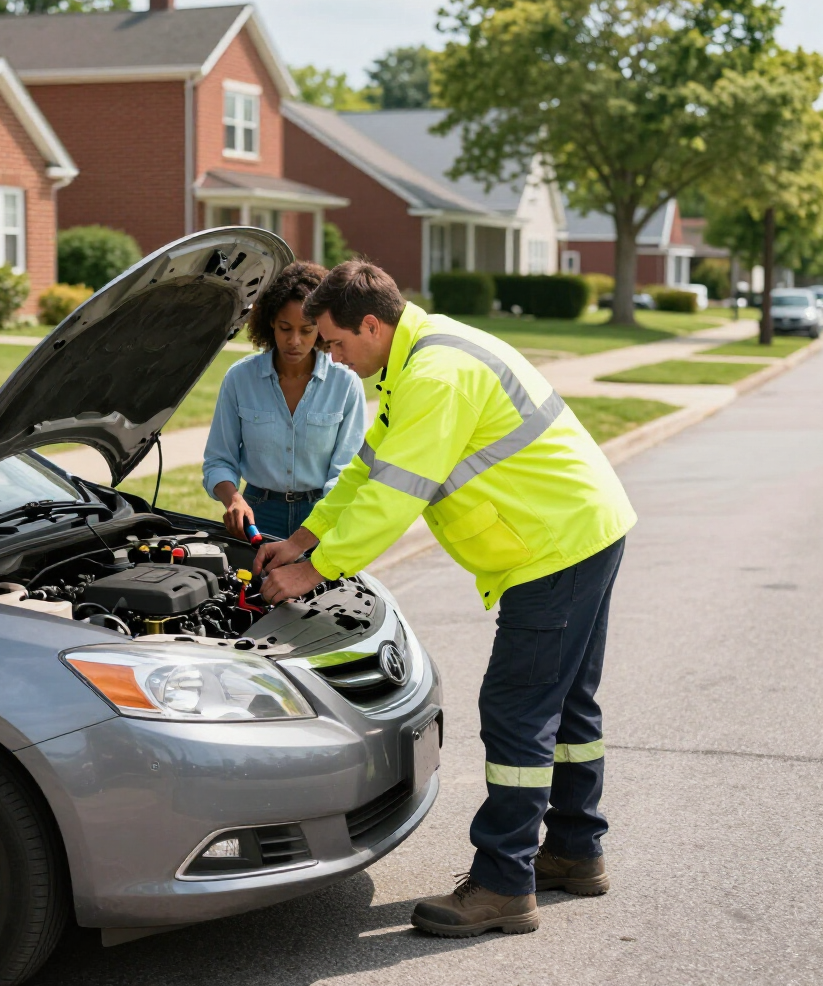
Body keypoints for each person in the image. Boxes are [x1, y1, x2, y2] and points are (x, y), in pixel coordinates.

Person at [255, 260, 636, 938]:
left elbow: (397, 495)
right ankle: (576, 851)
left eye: (337, 342)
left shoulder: (436, 375)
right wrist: (305, 537)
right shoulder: (415, 357)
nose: (331, 357)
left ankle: (503, 884)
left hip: (555, 547)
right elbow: (368, 468)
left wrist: (316, 573)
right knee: (567, 705)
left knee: (517, 711)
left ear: (371, 324)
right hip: (579, 530)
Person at [203, 261, 366, 542]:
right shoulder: (240, 379)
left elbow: (346, 472)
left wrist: (316, 528)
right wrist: (233, 500)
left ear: (323, 328)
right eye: (285, 328)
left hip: (323, 513)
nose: (294, 341)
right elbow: (218, 460)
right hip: (258, 515)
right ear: (270, 323)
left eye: (306, 330)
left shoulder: (346, 384)